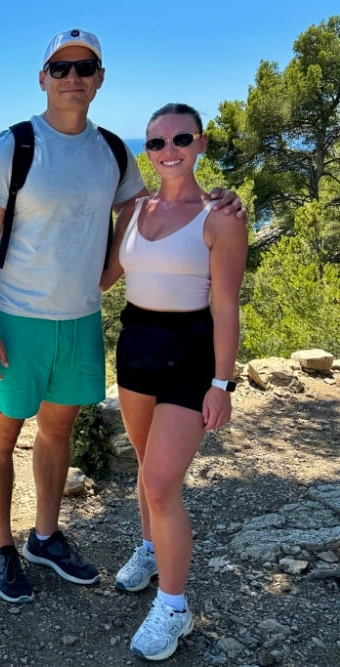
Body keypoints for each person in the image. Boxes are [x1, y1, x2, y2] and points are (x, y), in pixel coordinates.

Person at [0, 29, 242, 605]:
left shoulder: (114, 153)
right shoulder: (11, 147)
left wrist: (221, 198)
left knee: (58, 429)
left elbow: (149, 216)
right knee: (3, 433)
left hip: (82, 319)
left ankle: (44, 536)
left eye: (84, 67)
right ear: (42, 77)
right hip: (17, 318)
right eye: (61, 69)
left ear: (99, 78)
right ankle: (2, 545)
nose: (73, 78)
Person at [100, 103, 247, 661]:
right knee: (144, 468)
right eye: (156, 143)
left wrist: (222, 383)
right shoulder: (135, 208)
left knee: (161, 484)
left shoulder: (223, 216)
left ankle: (174, 606)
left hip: (190, 354)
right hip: (136, 346)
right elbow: (107, 276)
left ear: (201, 143)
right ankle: (149, 546)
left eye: (180, 139)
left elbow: (227, 308)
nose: (168, 151)